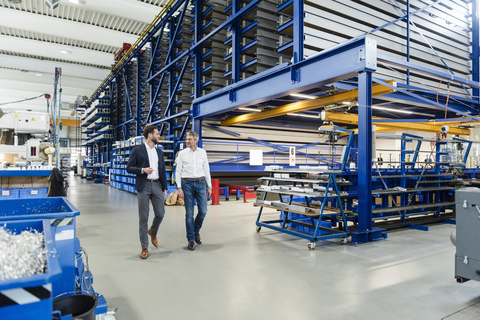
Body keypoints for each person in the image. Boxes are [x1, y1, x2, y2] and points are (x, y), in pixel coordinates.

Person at [127, 125, 168, 259]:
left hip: (157, 184)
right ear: (150, 135)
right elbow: (129, 168)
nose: (158, 136)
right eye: (157, 133)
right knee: (143, 217)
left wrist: (164, 187)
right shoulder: (137, 150)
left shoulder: (159, 152)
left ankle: (153, 232)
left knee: (160, 214)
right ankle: (144, 247)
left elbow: (162, 170)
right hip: (144, 185)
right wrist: (142, 170)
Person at [176, 131, 212, 251]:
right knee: (189, 214)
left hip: (201, 183)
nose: (187, 141)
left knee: (203, 211)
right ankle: (191, 239)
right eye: (187, 139)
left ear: (196, 141)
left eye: (190, 139)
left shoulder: (202, 153)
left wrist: (209, 186)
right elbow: (178, 171)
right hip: (187, 184)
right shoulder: (182, 154)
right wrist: (179, 187)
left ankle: (196, 231)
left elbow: (206, 170)